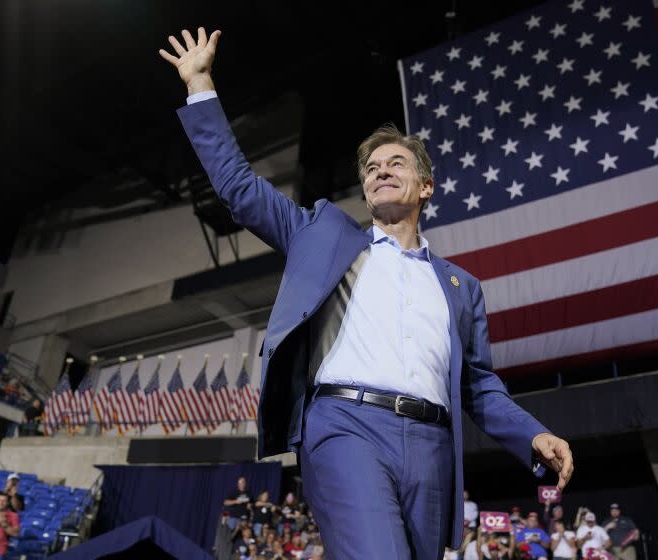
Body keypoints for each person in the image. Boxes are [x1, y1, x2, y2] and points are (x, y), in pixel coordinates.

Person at [160, 26, 574, 560]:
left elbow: (478, 385)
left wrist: (531, 434)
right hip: (344, 425)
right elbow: (239, 187)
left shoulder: (461, 288)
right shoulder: (322, 237)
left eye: (395, 163)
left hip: (431, 445)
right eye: (372, 169)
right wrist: (200, 86)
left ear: (425, 187)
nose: (380, 172)